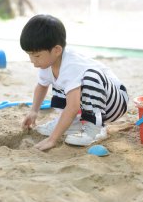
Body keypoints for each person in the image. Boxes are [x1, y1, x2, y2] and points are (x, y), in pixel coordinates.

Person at [20, 14, 128, 151]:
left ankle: (95, 128)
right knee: (61, 83)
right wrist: (33, 111)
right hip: (96, 101)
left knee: (89, 77)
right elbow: (42, 86)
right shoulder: (47, 63)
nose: (32, 60)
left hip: (113, 102)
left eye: (36, 56)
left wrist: (53, 139)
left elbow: (72, 106)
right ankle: (74, 124)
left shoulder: (71, 65)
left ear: (57, 50)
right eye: (29, 55)